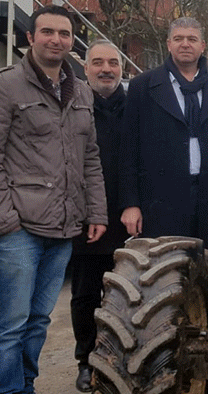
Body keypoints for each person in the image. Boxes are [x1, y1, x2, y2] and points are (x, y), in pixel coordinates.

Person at [0, 5, 108, 394]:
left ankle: (24, 386)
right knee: (9, 323)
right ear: (30, 38)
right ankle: (2, 391)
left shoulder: (81, 90)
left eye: (64, 34)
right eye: (47, 32)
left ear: (72, 41)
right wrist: (3, 221)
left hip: (64, 226)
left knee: (37, 320)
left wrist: (95, 211)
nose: (56, 40)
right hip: (19, 228)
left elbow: (91, 158)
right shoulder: (2, 85)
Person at [119, 17, 208, 392]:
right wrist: (131, 203)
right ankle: (165, 362)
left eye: (192, 38)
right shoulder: (144, 87)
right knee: (165, 284)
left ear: (202, 45)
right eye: (179, 38)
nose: (185, 44)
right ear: (169, 44)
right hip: (163, 197)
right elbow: (129, 150)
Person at [68, 39, 128, 392]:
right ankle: (87, 361)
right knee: (87, 295)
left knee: (128, 295)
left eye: (113, 63)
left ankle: (121, 357)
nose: (106, 69)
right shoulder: (75, 104)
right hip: (87, 216)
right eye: (98, 62)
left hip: (129, 215)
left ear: (121, 68)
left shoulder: (136, 106)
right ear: (86, 67)